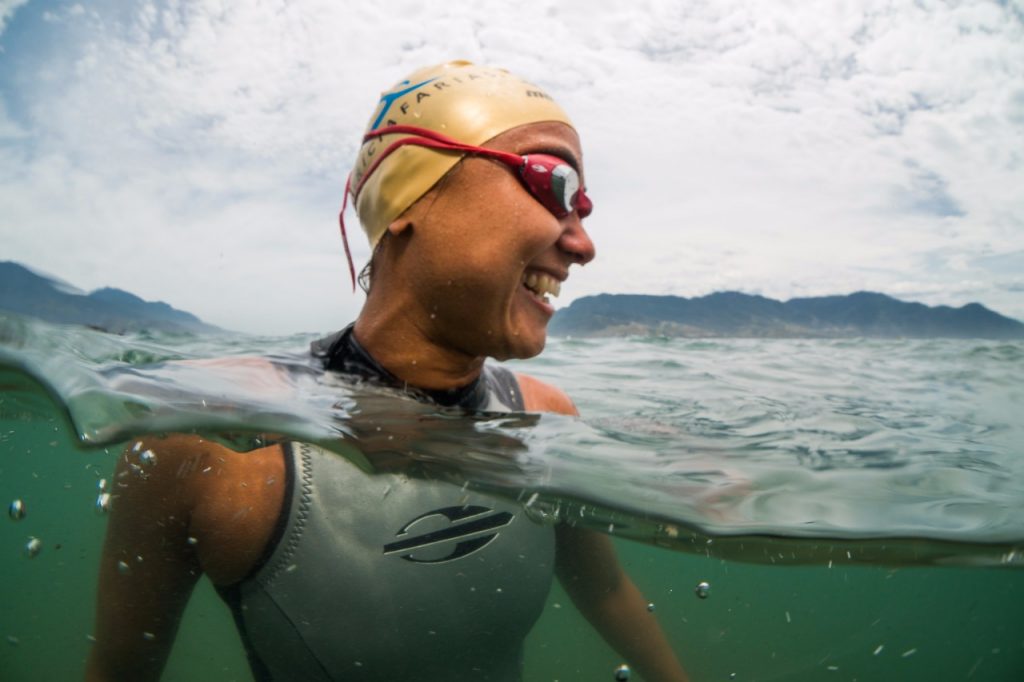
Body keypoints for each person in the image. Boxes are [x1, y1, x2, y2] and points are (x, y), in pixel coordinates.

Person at [86, 61, 689, 682]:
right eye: (556, 184)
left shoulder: (546, 419)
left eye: (584, 205)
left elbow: (609, 593)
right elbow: (118, 669)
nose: (584, 243)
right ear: (409, 195)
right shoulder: (205, 440)